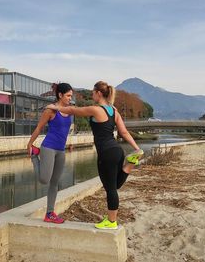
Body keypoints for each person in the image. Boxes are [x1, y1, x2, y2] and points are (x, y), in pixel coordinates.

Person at [46, 81, 143, 230]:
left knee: (110, 188)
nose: (91, 94)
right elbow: (123, 132)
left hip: (106, 153)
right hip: (117, 151)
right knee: (115, 185)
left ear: (98, 93)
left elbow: (73, 110)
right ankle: (128, 165)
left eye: (93, 92)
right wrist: (137, 148)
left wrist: (56, 107)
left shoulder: (96, 110)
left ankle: (111, 222)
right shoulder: (114, 111)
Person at [27, 82, 74, 224]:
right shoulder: (50, 111)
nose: (70, 98)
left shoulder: (71, 110)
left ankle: (49, 213)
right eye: (68, 95)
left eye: (71, 96)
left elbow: (85, 110)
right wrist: (29, 144)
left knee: (55, 183)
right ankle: (34, 156)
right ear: (60, 95)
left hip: (61, 150)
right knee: (44, 180)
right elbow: (39, 128)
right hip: (48, 147)